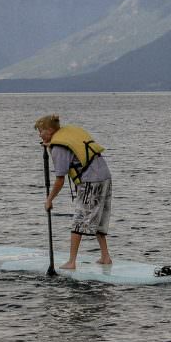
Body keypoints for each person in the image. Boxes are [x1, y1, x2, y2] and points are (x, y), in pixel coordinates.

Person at [34, 114, 113, 270]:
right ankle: (105, 257)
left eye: (41, 131)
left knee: (79, 220)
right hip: (105, 176)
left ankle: (71, 262)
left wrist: (49, 200)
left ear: (49, 131)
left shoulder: (58, 147)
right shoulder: (64, 137)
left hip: (91, 180)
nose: (39, 134)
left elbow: (60, 179)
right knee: (99, 218)